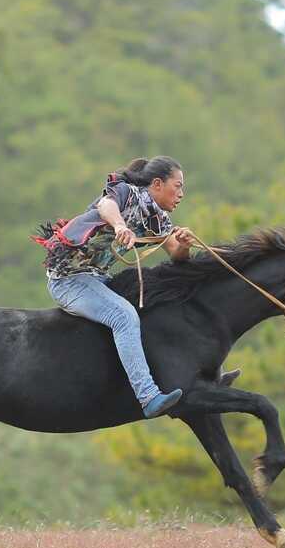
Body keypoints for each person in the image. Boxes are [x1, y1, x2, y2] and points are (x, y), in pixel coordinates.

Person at [33, 156, 194, 418]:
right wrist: (119, 225)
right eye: (177, 186)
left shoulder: (159, 219)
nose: (181, 194)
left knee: (158, 306)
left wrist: (184, 244)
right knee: (124, 316)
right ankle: (148, 397)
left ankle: (200, 378)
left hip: (96, 278)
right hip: (69, 279)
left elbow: (177, 254)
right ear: (156, 184)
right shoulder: (125, 193)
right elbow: (106, 205)